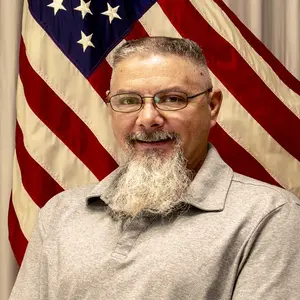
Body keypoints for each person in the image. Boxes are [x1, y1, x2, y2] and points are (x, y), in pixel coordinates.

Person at [10, 37, 300, 300]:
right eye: (128, 101)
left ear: (212, 107)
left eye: (172, 99)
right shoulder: (60, 213)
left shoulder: (270, 215)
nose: (148, 119)